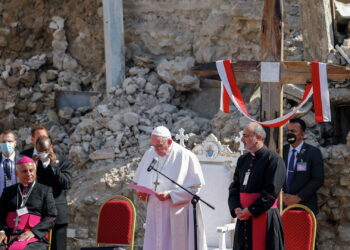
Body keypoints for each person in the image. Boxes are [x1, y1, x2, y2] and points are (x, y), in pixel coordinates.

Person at [133, 126, 207, 250]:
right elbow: (141, 181)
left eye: (159, 146)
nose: (155, 150)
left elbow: (194, 189)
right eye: (153, 145)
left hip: (176, 210)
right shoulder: (150, 153)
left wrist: (170, 194)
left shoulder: (186, 156)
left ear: (170, 141)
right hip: (154, 209)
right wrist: (142, 192)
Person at [228, 122, 286, 250]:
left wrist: (251, 210)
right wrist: (236, 207)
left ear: (258, 137)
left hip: (263, 216)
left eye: (246, 136)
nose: (242, 139)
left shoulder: (274, 159)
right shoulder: (243, 160)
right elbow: (234, 187)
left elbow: (271, 192)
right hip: (243, 217)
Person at [21, 125, 72, 250]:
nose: (42, 140)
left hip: (57, 213)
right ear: (33, 140)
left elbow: (66, 184)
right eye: (39, 137)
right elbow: (22, 185)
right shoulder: (25, 157)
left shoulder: (61, 158)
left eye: (45, 137)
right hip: (34, 214)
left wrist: (53, 165)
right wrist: (33, 167)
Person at [0, 156, 57, 250]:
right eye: (24, 171)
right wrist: (1, 231)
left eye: (31, 170)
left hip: (33, 236)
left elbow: (51, 216)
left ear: (35, 171)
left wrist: (33, 232)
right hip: (8, 233)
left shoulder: (45, 191)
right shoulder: (8, 191)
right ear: (16, 173)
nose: (29, 174)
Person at [283, 118, 324, 215]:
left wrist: (298, 197)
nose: (289, 134)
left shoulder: (313, 153)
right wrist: (282, 196)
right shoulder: (281, 151)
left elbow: (317, 179)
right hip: (282, 205)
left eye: (293, 131)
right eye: (288, 131)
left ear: (302, 134)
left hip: (304, 207)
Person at [0, 131, 19, 196]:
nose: (7, 144)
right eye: (3, 142)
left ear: (15, 143)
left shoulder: (24, 161)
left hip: (19, 202)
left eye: (10, 141)